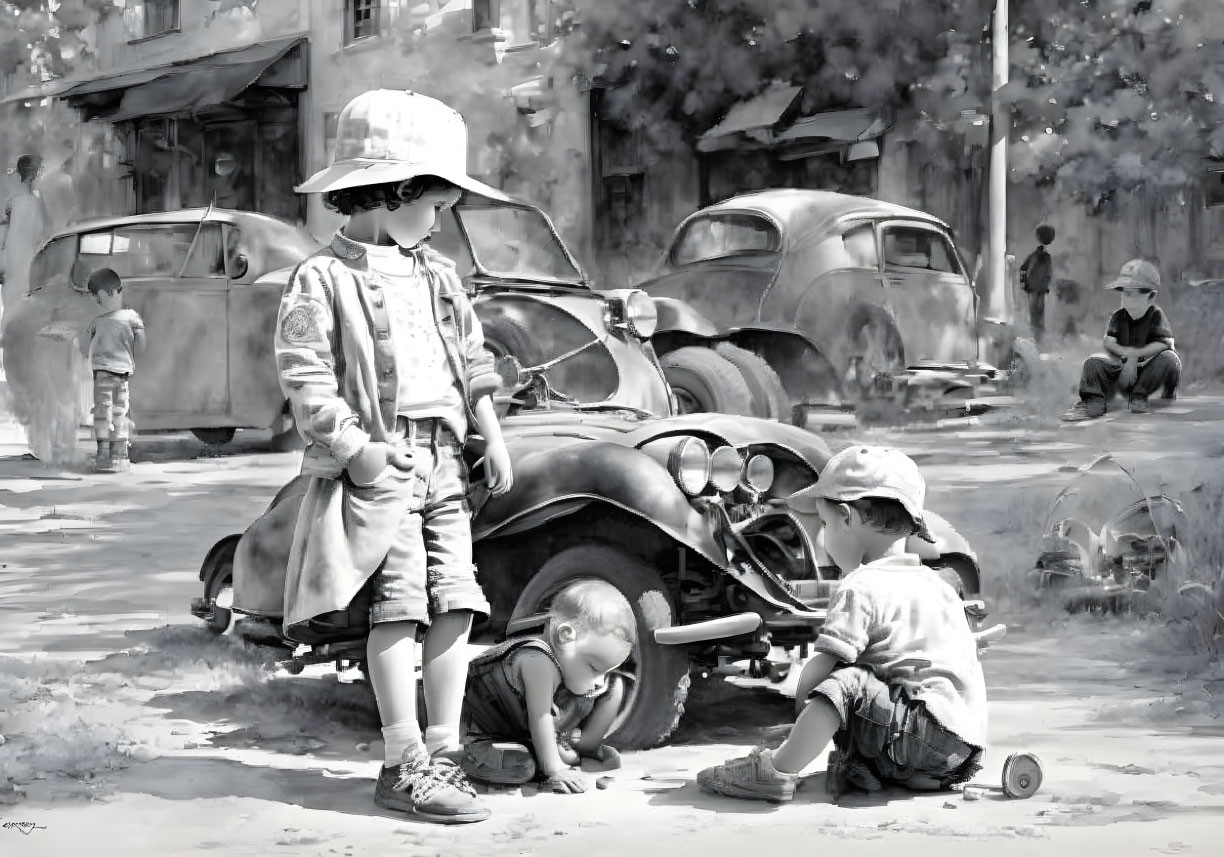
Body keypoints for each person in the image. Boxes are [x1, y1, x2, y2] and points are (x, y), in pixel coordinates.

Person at [276, 88, 514, 824]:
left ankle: (443, 748)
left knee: (457, 602)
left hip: (446, 461)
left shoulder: (439, 276)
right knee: (401, 607)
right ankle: (401, 757)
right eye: (434, 205)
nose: (438, 220)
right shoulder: (322, 278)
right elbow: (305, 374)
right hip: (386, 465)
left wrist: (490, 428)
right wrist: (356, 450)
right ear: (395, 191)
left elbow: (471, 356)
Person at [697, 445, 987, 802]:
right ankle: (892, 774)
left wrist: (805, 703)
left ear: (847, 518)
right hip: (963, 750)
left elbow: (825, 668)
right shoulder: (939, 587)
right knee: (874, 684)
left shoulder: (861, 586)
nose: (822, 536)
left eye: (824, 523)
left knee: (844, 683)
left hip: (920, 736)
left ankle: (776, 771)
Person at [459, 579, 632, 793]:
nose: (599, 681)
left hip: (512, 727)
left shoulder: (560, 661)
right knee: (522, 766)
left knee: (610, 690)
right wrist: (554, 770)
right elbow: (540, 716)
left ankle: (569, 747)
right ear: (566, 636)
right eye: (594, 667)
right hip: (478, 733)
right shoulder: (536, 661)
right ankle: (465, 757)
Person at [1061, 259, 1181, 422]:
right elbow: (1109, 342)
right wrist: (1127, 355)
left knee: (1170, 359)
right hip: (1122, 370)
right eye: (1125, 293)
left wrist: (1136, 355)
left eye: (1133, 295)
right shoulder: (1118, 316)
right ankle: (1093, 402)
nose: (1127, 299)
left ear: (1150, 296)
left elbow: (1165, 343)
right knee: (1093, 363)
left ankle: (1140, 397)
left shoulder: (1155, 315)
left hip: (1147, 373)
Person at [84, 267, 146, 472]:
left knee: (103, 412)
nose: (96, 303)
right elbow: (142, 345)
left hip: (101, 373)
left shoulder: (97, 322)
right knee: (120, 412)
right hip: (123, 374)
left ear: (105, 295)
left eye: (97, 298)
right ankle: (119, 457)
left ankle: (102, 455)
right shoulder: (132, 317)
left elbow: (85, 349)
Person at [0, 154, 49, 322]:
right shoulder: (34, 198)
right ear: (34, 172)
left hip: (14, 262)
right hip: (26, 261)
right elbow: (43, 231)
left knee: (13, 308)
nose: (42, 172)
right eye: (40, 169)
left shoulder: (13, 197)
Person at [1019, 225, 1055, 344]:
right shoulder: (1040, 256)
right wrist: (1025, 284)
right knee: (1036, 315)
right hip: (1036, 289)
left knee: (1037, 315)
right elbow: (1025, 269)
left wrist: (1025, 284)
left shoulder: (1042, 256)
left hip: (1038, 289)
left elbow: (1025, 268)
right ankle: (1037, 339)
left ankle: (1038, 339)